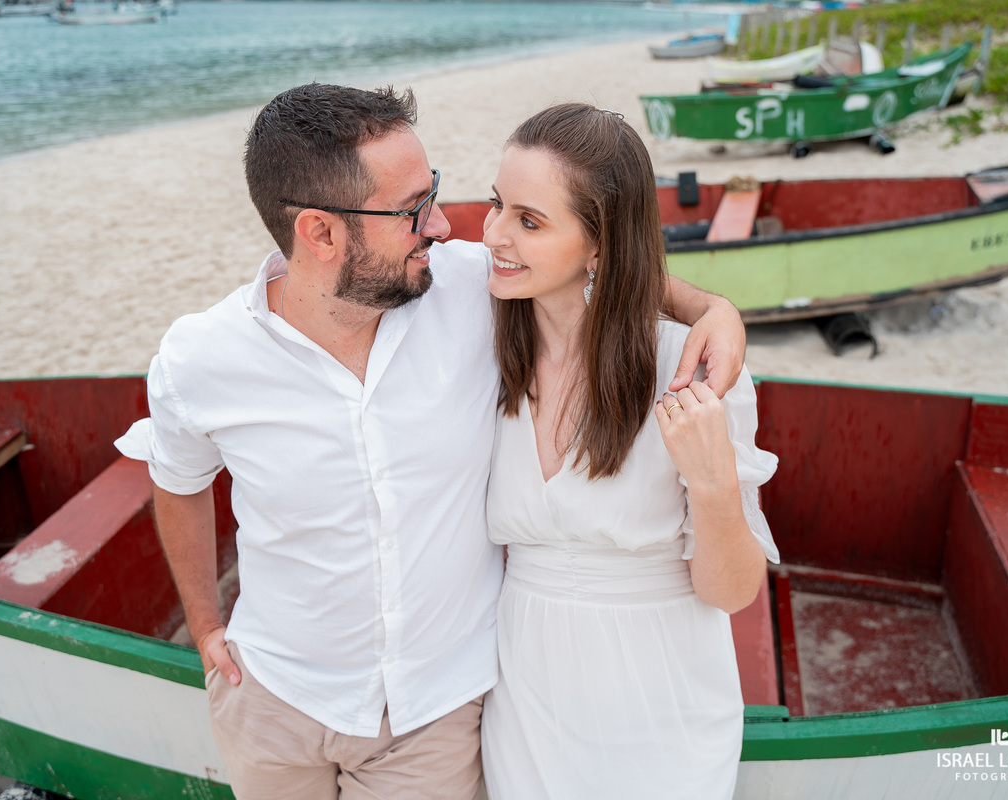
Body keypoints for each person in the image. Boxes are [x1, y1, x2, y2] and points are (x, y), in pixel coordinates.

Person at [115, 83, 746, 799]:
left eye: (435, 192)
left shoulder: (469, 287)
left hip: (433, 715)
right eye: (413, 209)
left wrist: (713, 308)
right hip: (274, 698)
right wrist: (203, 624)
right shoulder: (203, 359)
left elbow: (595, 259)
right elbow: (178, 477)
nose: (446, 226)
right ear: (320, 234)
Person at [478, 103, 779, 799]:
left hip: (659, 696)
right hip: (523, 691)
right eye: (496, 204)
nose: (492, 235)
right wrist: (715, 301)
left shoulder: (691, 370)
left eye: (528, 220)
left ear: (601, 246)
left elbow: (731, 591)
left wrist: (712, 485)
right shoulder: (481, 332)